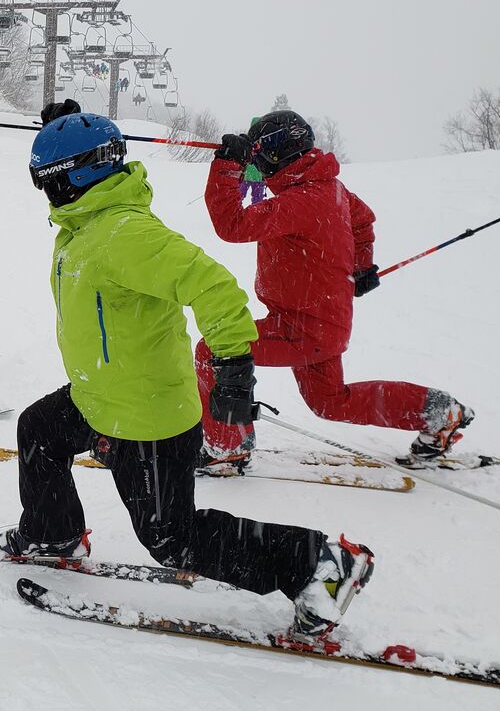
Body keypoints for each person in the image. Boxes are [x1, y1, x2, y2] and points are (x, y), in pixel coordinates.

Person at [0, 105, 374, 642]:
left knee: (172, 539)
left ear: (74, 180)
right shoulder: (92, 220)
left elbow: (212, 284)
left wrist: (235, 365)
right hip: (100, 394)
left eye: (46, 182)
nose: (44, 194)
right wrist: (73, 127)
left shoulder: (123, 234)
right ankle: (53, 535)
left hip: (147, 416)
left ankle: (319, 565)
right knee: (40, 429)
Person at [195, 109, 474, 473]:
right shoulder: (328, 189)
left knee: (214, 351)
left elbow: (232, 225)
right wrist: (362, 265)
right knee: (329, 402)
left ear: (276, 156)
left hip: (303, 328)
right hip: (318, 323)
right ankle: (438, 412)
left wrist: (228, 167)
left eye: (258, 154)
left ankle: (227, 448)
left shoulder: (301, 200)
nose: (256, 164)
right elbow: (362, 220)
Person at [238, 118, 268, 205]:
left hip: (252, 176)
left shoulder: (248, 141)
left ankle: (255, 216)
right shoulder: (262, 142)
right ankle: (256, 216)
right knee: (256, 201)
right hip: (253, 176)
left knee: (255, 201)